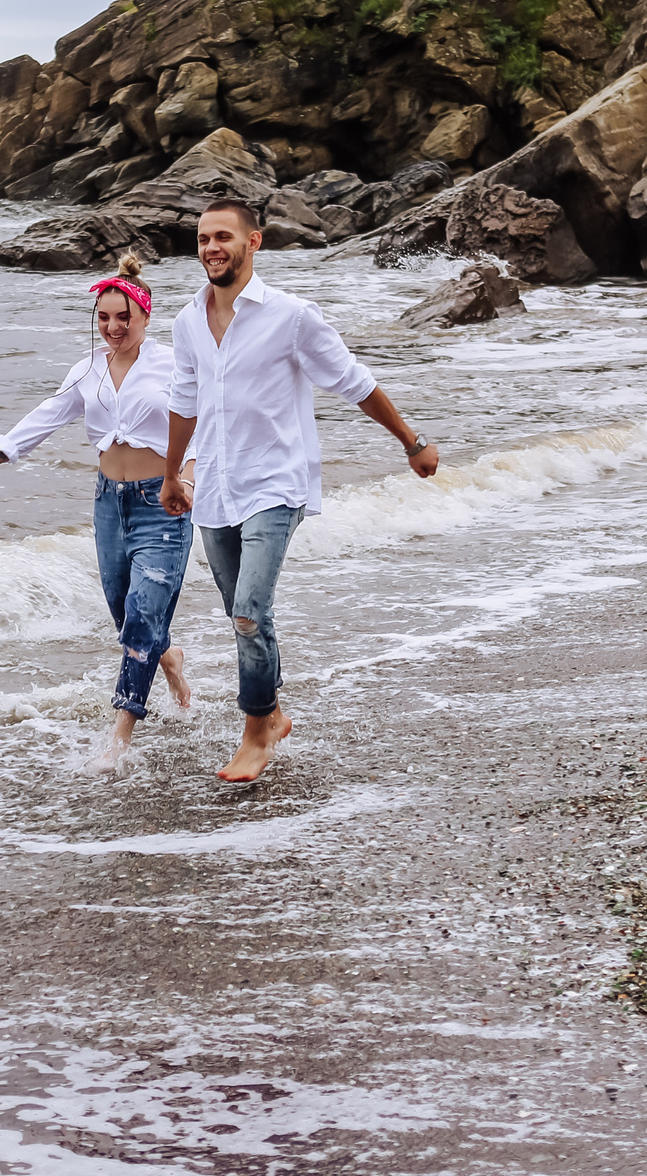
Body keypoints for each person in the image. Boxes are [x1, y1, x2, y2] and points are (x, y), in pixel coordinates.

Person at [161, 197, 439, 783]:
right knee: (243, 613)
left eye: (223, 237)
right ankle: (274, 711)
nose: (211, 248)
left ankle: (255, 731)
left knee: (248, 612)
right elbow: (184, 401)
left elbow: (353, 381)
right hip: (214, 486)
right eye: (203, 238)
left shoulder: (291, 316)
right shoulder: (188, 321)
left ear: (253, 242)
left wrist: (411, 442)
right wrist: (171, 474)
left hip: (275, 481)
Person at [0, 255, 196, 759]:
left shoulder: (175, 364)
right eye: (103, 318)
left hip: (163, 503)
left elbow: (202, 421)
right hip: (109, 505)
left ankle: (120, 737)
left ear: (145, 314)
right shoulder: (87, 369)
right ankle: (169, 659)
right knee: (127, 617)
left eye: (124, 317)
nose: (112, 328)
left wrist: (188, 477)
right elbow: (44, 418)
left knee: (141, 615)